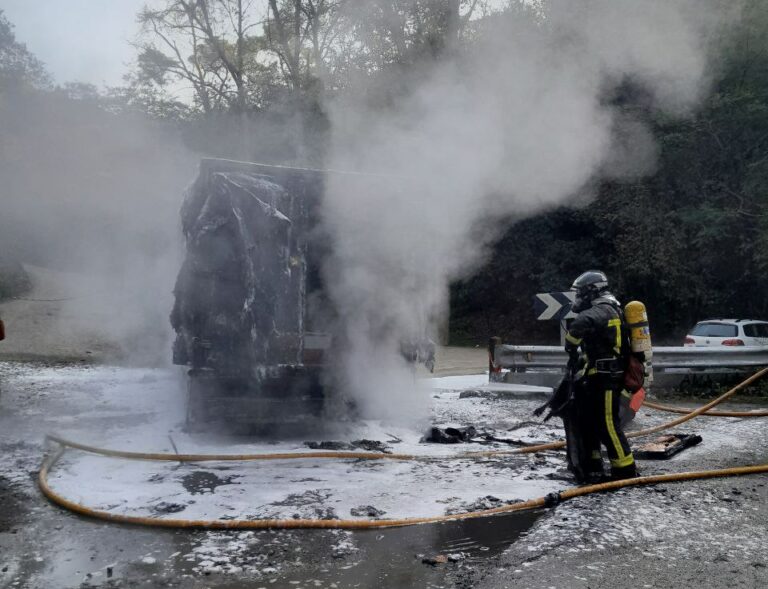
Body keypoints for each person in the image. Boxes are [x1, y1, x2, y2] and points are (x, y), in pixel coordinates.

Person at [564, 270, 637, 482]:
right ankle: (593, 463)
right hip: (598, 377)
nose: (578, 298)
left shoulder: (603, 310)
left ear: (591, 292)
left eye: (580, 294)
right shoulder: (612, 307)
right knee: (590, 421)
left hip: (607, 378)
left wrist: (571, 344)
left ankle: (625, 469)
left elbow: (580, 326)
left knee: (607, 423)